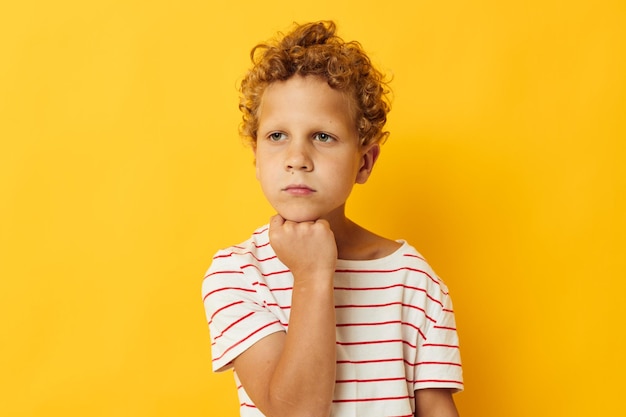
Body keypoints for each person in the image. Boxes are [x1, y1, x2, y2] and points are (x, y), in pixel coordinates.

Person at [202, 20, 463, 417]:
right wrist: (311, 275)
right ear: (256, 157)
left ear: (364, 161)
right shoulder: (237, 274)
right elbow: (296, 412)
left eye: (322, 137)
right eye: (277, 136)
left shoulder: (415, 280)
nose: (297, 159)